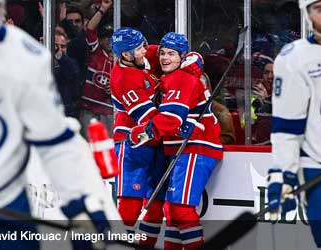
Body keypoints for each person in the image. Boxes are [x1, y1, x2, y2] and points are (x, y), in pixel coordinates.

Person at [0, 1, 120, 249]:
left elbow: (54, 140)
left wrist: (78, 206)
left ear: (0, 12)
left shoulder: (23, 56)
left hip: (1, 201)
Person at [129, 32, 223, 249]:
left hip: (196, 148)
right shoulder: (172, 77)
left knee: (180, 208)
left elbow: (170, 120)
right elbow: (147, 51)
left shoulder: (183, 78)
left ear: (182, 57)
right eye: (163, 53)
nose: (164, 58)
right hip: (181, 149)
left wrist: (140, 134)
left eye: (171, 54)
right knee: (172, 211)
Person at [267, 0, 321, 249]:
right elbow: (287, 127)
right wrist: (283, 173)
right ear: (307, 13)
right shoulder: (294, 58)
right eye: (318, 8)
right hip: (320, 168)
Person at [109, 27, 165, 248]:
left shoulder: (145, 54)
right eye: (139, 48)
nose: (146, 50)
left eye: (144, 44)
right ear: (125, 55)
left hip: (157, 140)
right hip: (132, 141)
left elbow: (173, 52)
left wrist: (191, 61)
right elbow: (148, 117)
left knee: (156, 203)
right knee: (130, 203)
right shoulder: (123, 78)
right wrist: (177, 119)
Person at [79, 0, 115, 137]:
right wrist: (103, 9)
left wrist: (114, 89)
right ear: (100, 40)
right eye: (104, 37)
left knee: (109, 151)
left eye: (111, 37)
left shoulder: (123, 61)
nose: (108, 40)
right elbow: (90, 29)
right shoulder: (96, 52)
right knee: (88, 151)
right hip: (88, 108)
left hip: (109, 111)